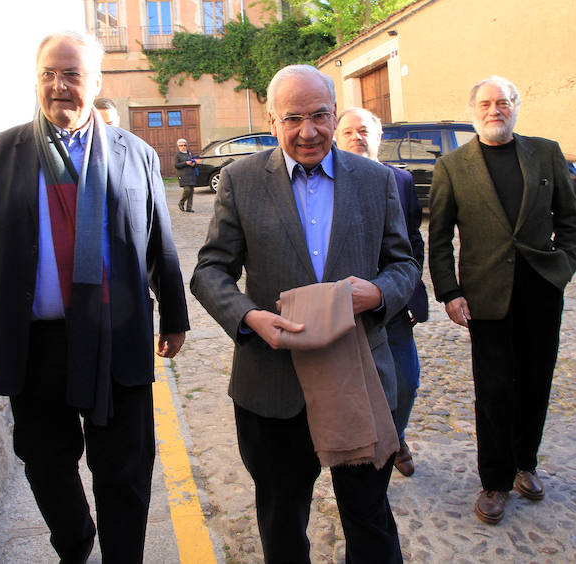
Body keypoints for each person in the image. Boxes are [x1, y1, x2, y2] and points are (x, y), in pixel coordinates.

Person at [0, 31, 189, 562]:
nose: (58, 86)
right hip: (35, 344)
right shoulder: (0, 154)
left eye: (71, 74)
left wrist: (174, 317)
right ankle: (75, 542)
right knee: (44, 461)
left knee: (124, 469)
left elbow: (159, 243)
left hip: (115, 338)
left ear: (97, 82)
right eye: (48, 75)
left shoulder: (136, 154)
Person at [190, 64, 418, 563]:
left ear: (334, 115)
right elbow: (210, 271)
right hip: (272, 384)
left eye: (319, 116)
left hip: (357, 377)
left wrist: (377, 294)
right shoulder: (240, 180)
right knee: (281, 518)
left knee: (368, 516)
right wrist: (250, 319)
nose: (308, 131)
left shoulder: (376, 180)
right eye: (293, 119)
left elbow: (404, 263)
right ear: (272, 121)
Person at [428, 75, 576, 525]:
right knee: (494, 390)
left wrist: (563, 266)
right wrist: (450, 292)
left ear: (516, 106)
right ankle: (493, 481)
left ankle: (525, 465)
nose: (495, 109)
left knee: (536, 381)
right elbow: (438, 238)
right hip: (485, 294)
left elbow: (571, 221)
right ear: (473, 110)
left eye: (504, 101)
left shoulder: (546, 153)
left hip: (540, 288)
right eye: (487, 103)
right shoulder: (453, 167)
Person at [335, 107, 428, 477]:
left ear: (378, 138)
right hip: (343, 306)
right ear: (337, 139)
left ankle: (397, 435)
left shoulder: (401, 181)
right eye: (349, 132)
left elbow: (413, 244)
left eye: (365, 131)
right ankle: (358, 447)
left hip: (391, 304)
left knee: (406, 380)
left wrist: (406, 296)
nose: (358, 137)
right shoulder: (329, 182)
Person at [174, 138, 197, 212]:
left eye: (184, 145)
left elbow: (195, 162)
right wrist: (185, 163)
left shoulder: (189, 153)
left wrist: (193, 164)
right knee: (187, 190)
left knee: (191, 191)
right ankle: (181, 202)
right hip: (183, 175)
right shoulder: (177, 155)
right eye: (181, 145)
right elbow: (176, 165)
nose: (183, 147)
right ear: (178, 146)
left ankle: (189, 208)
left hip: (191, 174)